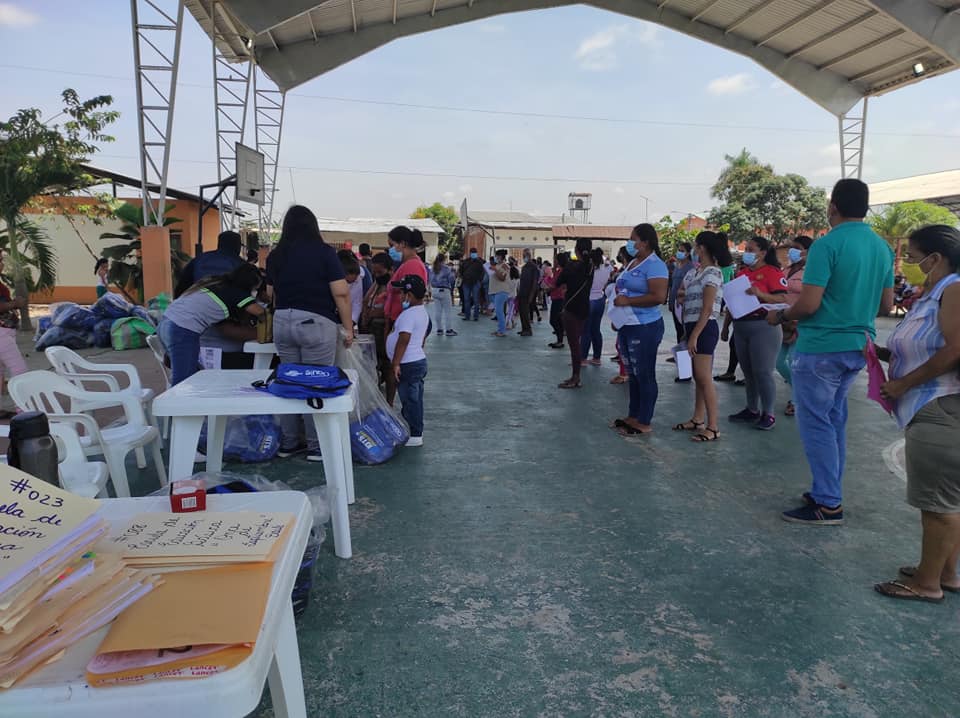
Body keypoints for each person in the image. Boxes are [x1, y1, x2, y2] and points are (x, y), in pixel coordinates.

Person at [770, 179, 895, 524]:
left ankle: (828, 502)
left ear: (833, 206)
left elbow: (808, 304)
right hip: (858, 346)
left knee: (816, 423)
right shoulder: (883, 248)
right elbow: (886, 305)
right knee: (834, 419)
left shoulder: (827, 245)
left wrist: (780, 315)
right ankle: (827, 490)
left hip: (821, 346)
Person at [870, 226, 960, 602]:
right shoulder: (933, 295)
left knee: (938, 505)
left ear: (935, 259)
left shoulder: (953, 290)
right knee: (945, 500)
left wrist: (903, 384)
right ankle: (945, 572)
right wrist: (880, 354)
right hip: (928, 405)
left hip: (938, 405)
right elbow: (925, 347)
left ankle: (927, 583)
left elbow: (955, 348)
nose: (907, 263)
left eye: (911, 256)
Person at [266, 205, 355, 461]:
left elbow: (270, 294)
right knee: (316, 383)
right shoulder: (325, 253)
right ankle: (317, 446)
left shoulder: (276, 255)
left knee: (290, 381)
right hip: (315, 322)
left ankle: (289, 443)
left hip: (282, 321)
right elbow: (341, 293)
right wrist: (348, 328)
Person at [158, 264, 264, 385]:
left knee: (186, 376)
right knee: (183, 382)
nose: (255, 292)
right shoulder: (236, 293)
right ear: (250, 285)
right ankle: (177, 398)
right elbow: (261, 313)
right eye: (256, 289)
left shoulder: (216, 285)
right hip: (182, 328)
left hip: (166, 323)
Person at [608, 224, 668, 432]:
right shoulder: (633, 262)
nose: (630, 243)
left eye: (633, 239)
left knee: (644, 374)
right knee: (633, 374)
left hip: (645, 326)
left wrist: (628, 302)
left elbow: (658, 297)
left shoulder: (655, 265)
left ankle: (644, 420)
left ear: (645, 242)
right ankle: (633, 415)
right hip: (627, 324)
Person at [724, 236, 787, 431]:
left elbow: (783, 298)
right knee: (748, 371)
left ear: (763, 252)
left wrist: (761, 295)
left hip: (763, 326)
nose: (747, 253)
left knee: (763, 371)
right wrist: (726, 327)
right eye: (747, 249)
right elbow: (731, 302)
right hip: (741, 326)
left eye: (751, 249)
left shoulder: (772, 272)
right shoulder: (741, 273)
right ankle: (752, 409)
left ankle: (768, 413)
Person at [673, 231, 730, 442]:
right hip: (693, 326)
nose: (694, 250)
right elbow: (683, 293)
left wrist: (694, 335)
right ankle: (698, 418)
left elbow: (707, 308)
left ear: (702, 248)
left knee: (704, 377)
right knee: (698, 376)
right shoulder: (696, 272)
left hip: (704, 328)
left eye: (696, 246)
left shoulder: (712, 273)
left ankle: (713, 426)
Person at [387, 275, 430, 447]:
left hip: (408, 363)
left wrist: (396, 363)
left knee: (410, 399)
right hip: (416, 361)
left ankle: (415, 434)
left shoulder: (409, 315)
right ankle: (413, 428)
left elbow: (404, 338)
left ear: (409, 296)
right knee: (414, 397)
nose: (400, 296)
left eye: (401, 293)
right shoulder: (420, 312)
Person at [776, 236, 813, 417]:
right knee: (777, 362)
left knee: (793, 361)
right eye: (791, 247)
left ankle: (796, 400)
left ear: (807, 251)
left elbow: (811, 299)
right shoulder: (785, 270)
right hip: (782, 321)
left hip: (800, 323)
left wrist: (796, 321)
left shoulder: (811, 272)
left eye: (797, 247)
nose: (792, 251)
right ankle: (802, 391)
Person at [556, 239, 594, 388]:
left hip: (571, 307)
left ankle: (575, 377)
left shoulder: (571, 267)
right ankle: (575, 376)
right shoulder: (590, 266)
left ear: (576, 250)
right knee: (576, 342)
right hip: (584, 307)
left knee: (574, 345)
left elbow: (558, 282)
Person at [384, 226, 429, 334]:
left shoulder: (412, 265)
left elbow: (412, 297)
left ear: (402, 244)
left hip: (404, 323)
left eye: (392, 245)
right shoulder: (406, 264)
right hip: (400, 320)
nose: (390, 250)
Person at [360, 252, 394, 392]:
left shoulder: (393, 285)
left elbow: (391, 309)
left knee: (388, 366)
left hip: (384, 329)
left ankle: (389, 401)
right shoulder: (378, 283)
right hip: (372, 328)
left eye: (380, 272)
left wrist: (373, 313)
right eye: (374, 272)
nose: (377, 275)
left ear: (390, 270)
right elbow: (366, 300)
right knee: (372, 364)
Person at [0, 255, 28, 416]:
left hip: (5, 333)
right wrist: (15, 304)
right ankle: (23, 412)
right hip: (2, 334)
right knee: (19, 371)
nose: (2, 264)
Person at [581, 248, 613, 365]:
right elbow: (610, 270)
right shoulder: (607, 268)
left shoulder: (589, 270)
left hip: (589, 299)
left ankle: (583, 358)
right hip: (600, 299)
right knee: (596, 329)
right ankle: (596, 358)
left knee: (586, 331)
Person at [668, 242, 694, 345]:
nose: (679, 252)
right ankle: (679, 350)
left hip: (683, 303)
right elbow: (672, 284)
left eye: (682, 251)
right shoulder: (677, 266)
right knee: (678, 330)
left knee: (684, 330)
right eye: (679, 250)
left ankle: (684, 351)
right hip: (674, 303)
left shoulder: (690, 268)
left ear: (688, 253)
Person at [428, 252, 457, 336]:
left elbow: (430, 280)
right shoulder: (446, 268)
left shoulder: (432, 268)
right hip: (444, 290)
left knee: (438, 311)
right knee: (447, 311)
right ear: (444, 259)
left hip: (435, 290)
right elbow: (451, 279)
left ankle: (439, 329)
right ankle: (448, 330)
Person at [337, 249, 364, 328]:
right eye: (348, 281)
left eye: (353, 281)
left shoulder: (357, 278)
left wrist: (352, 321)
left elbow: (357, 302)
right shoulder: (332, 277)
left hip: (346, 315)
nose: (350, 284)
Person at [487, 250, 511, 337]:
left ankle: (502, 331)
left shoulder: (505, 266)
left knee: (499, 311)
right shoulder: (497, 265)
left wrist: (495, 270)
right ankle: (500, 329)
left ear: (500, 257)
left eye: (496, 256)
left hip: (502, 291)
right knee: (498, 311)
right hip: (496, 291)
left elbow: (502, 278)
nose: (495, 258)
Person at [545, 255, 567, 348]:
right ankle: (559, 340)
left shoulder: (562, 272)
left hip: (559, 298)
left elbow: (556, 284)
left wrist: (548, 288)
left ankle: (560, 340)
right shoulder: (558, 271)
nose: (554, 262)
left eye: (555, 260)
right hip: (556, 297)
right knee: (558, 320)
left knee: (554, 320)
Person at [459, 248, 485, 321]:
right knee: (466, 299)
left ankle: (476, 316)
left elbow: (482, 272)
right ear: (470, 253)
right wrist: (464, 277)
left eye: (474, 252)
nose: (473, 254)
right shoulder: (466, 261)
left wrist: (479, 281)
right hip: (466, 282)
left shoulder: (479, 262)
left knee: (476, 300)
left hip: (475, 282)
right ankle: (467, 316)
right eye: (472, 252)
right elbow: (461, 270)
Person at [518, 249, 539, 337]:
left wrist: (531, 295)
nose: (524, 257)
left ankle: (528, 330)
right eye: (523, 255)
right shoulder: (524, 267)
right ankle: (524, 328)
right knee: (521, 312)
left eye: (525, 255)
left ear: (529, 256)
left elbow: (534, 282)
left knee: (525, 312)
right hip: (521, 292)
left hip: (528, 293)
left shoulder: (534, 267)